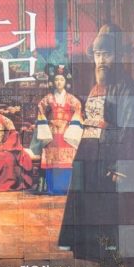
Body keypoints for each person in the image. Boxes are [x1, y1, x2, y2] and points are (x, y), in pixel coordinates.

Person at [57, 23, 134, 267]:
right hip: (91, 165)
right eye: (98, 55)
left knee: (116, 223)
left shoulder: (129, 90)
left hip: (113, 168)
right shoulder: (98, 87)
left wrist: (120, 165)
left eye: (106, 54)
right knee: (94, 220)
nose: (101, 60)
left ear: (119, 56)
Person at [35, 65, 82, 194]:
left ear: (65, 81)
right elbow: (40, 107)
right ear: (53, 81)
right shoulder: (48, 98)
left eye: (61, 79)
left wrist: (72, 126)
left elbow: (78, 109)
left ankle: (66, 188)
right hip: (52, 133)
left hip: (67, 133)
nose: (59, 82)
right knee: (52, 160)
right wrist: (46, 123)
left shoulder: (72, 99)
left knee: (67, 161)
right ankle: (52, 188)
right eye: (56, 80)